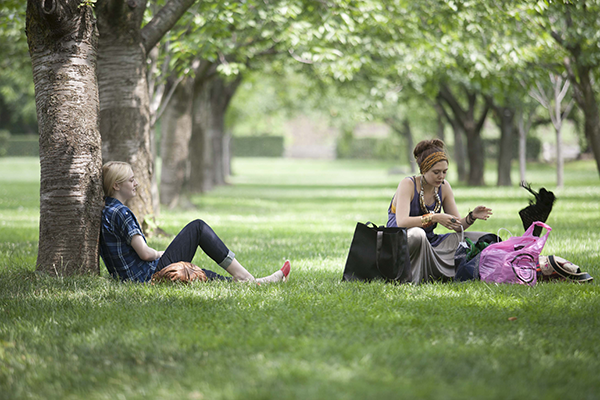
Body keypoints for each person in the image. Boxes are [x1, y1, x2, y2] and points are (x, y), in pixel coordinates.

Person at [99, 161, 291, 284]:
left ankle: (249, 282)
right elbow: (145, 253)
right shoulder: (122, 213)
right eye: (131, 180)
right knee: (197, 227)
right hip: (146, 277)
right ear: (116, 185)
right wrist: (164, 253)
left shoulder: (106, 211)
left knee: (196, 272)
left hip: (129, 278)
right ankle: (245, 277)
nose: (136, 184)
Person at [387, 139, 492, 283]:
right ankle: (413, 277)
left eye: (444, 172)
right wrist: (434, 217)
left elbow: (457, 227)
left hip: (431, 243)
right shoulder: (408, 184)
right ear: (423, 170)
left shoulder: (444, 187)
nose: (441, 176)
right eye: (436, 172)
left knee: (482, 238)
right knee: (418, 234)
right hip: (402, 242)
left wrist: (471, 216)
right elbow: (402, 222)